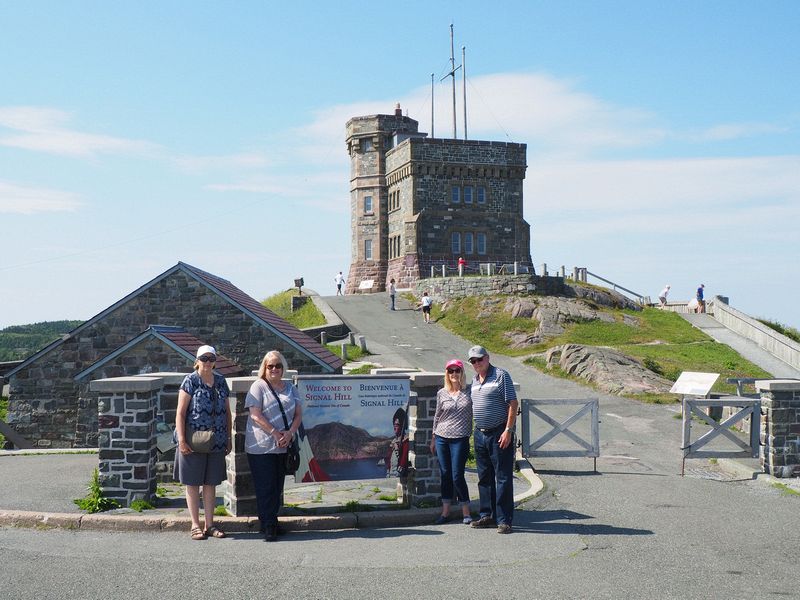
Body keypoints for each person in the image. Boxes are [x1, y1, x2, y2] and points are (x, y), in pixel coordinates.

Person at [174, 345, 232, 541]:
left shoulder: (221, 382)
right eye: (203, 358)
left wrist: (229, 438)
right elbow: (180, 413)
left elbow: (227, 411)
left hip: (216, 440)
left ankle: (210, 524)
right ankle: (194, 524)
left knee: (210, 483)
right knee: (192, 483)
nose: (207, 362)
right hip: (193, 440)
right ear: (197, 360)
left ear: (215, 361)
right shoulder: (190, 381)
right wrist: (182, 439)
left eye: (211, 358)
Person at [244, 350, 303, 541]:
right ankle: (268, 525)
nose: (275, 369)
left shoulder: (291, 388)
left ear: (283, 368)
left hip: (283, 445)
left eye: (278, 365)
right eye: (270, 366)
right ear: (265, 367)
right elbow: (255, 414)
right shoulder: (258, 387)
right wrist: (275, 433)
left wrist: (290, 433)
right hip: (261, 446)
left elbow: (298, 415)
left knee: (277, 486)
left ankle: (272, 521)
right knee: (265, 486)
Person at [468, 345, 517, 534]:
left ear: (487, 358)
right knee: (484, 477)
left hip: (499, 432)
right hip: (480, 433)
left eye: (479, 359)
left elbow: (512, 402)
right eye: (473, 361)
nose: (477, 363)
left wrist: (508, 430)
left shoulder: (501, 375)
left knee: (503, 477)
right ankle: (487, 515)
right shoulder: (474, 380)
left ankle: (504, 520)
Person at [429, 359, 473, 525]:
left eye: (457, 370)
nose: (454, 374)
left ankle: (466, 512)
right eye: (451, 371)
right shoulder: (442, 393)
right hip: (441, 437)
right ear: (447, 374)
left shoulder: (469, 391)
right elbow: (437, 416)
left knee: (457, 475)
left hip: (460, 438)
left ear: (462, 373)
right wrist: (433, 437)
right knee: (445, 474)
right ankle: (445, 512)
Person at [385, 407, 409, 478]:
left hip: (398, 473)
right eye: (394, 424)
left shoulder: (405, 440)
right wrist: (388, 471)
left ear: (402, 426)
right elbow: (389, 459)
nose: (395, 427)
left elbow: (404, 456)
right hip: (391, 472)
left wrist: (400, 471)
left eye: (397, 425)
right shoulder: (393, 441)